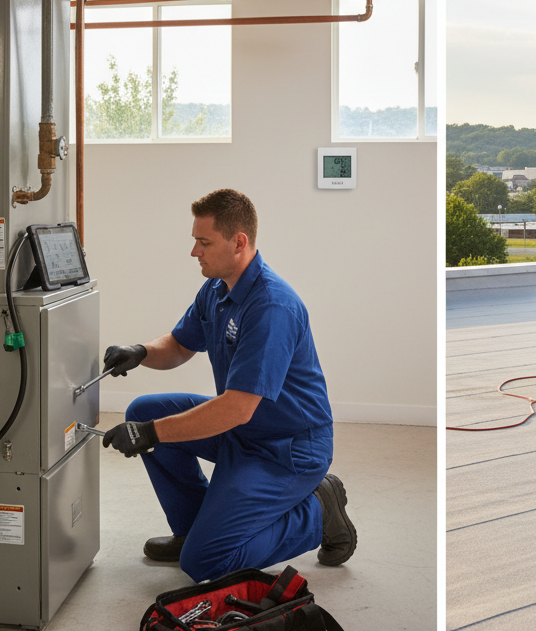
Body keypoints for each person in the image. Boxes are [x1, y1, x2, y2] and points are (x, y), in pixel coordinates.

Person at [100, 188, 356, 582]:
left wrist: (150, 434)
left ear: (239, 242)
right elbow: (179, 345)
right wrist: (140, 352)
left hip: (286, 448)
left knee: (207, 563)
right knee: (143, 411)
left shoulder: (271, 306)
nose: (194, 252)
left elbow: (237, 407)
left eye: (204, 243)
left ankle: (318, 512)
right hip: (243, 430)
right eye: (195, 241)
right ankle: (192, 530)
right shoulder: (218, 288)